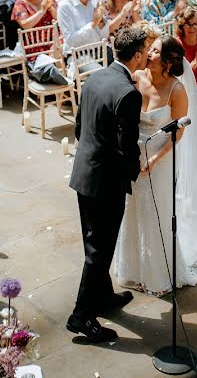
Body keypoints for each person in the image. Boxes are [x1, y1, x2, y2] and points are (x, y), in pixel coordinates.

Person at [67, 27, 150, 343]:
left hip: (83, 174)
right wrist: (135, 171)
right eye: (145, 50)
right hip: (104, 183)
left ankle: (103, 297)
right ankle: (81, 316)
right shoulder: (129, 93)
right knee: (99, 251)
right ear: (138, 54)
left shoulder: (96, 77)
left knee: (94, 244)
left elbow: (79, 127)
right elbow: (126, 147)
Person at [114, 36, 197, 295]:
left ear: (167, 61)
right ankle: (135, 269)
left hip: (161, 158)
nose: (148, 53)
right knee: (132, 209)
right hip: (134, 155)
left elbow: (178, 133)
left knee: (155, 213)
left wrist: (156, 160)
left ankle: (158, 272)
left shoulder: (177, 90)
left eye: (154, 51)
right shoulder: (137, 78)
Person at [58, 0, 130, 58]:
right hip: (77, 55)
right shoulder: (64, 6)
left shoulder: (96, 0)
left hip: (99, 50)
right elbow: (71, 41)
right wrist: (93, 24)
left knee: (125, 59)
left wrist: (101, 25)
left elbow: (104, 34)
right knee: (101, 71)